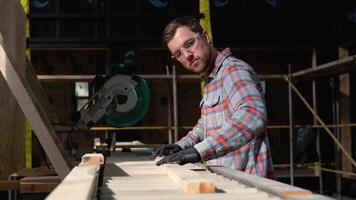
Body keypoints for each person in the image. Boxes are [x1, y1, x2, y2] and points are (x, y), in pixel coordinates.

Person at [152, 16, 274, 178]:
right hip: (226, 182)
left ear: (205, 37)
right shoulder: (212, 79)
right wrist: (180, 146)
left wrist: (200, 151)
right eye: (178, 53)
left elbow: (253, 114)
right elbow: (206, 125)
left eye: (189, 44)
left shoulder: (232, 71)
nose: (187, 55)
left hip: (248, 184)